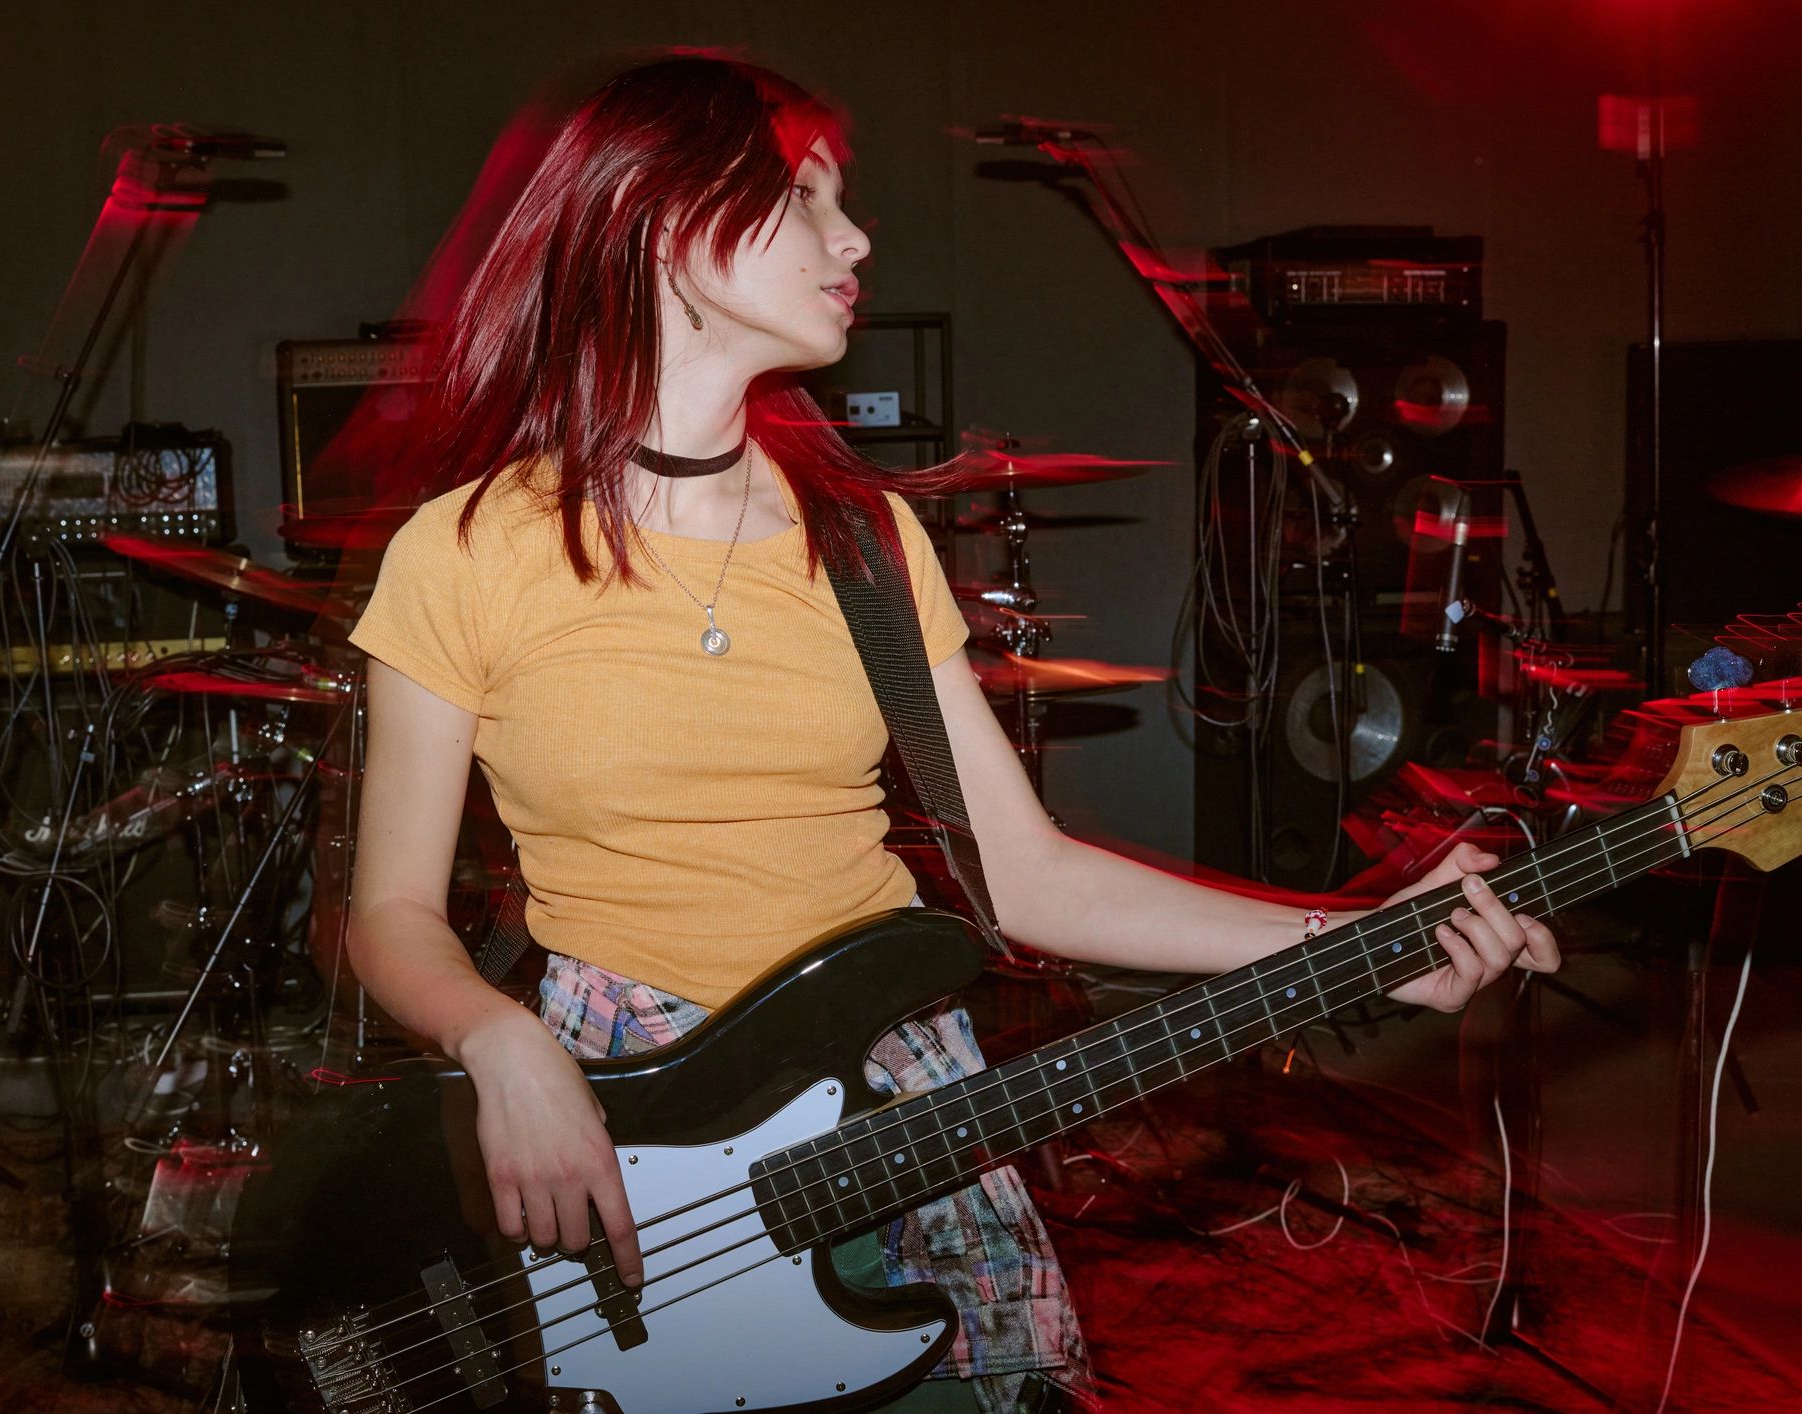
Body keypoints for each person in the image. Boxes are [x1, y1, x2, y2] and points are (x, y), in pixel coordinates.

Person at [343, 51, 1560, 1413]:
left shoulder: (865, 543)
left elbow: (1029, 876)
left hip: (897, 1088)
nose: (853, 237)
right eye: (807, 198)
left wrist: (1367, 945)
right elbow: (390, 910)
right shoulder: (463, 554)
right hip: (625, 1096)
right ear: (673, 225)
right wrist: (498, 1041)